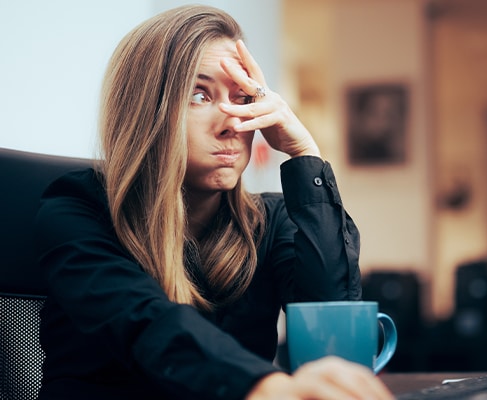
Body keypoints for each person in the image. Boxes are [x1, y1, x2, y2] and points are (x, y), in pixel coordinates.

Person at [33, 5, 393, 400]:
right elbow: (145, 322)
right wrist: (264, 386)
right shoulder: (77, 208)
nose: (232, 122)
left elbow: (335, 330)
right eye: (199, 95)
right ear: (145, 110)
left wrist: (304, 154)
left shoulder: (270, 222)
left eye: (243, 98)